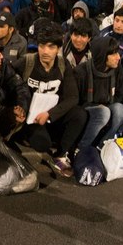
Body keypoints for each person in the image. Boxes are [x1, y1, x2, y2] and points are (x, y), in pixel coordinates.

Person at [16, 22, 87, 175]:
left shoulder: (63, 65)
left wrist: (50, 114)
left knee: (80, 114)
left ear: (58, 48)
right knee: (42, 143)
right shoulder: (27, 62)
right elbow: (8, 84)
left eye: (51, 47)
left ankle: (60, 154)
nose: (45, 51)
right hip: (30, 120)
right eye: (42, 46)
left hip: (50, 116)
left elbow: (73, 97)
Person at [74, 35, 123, 151]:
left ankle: (102, 145)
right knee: (103, 112)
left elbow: (120, 94)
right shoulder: (81, 72)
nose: (118, 57)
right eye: (113, 54)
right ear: (103, 55)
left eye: (118, 53)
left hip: (108, 105)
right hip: (86, 109)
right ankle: (81, 149)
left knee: (119, 109)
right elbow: (76, 101)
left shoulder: (118, 69)